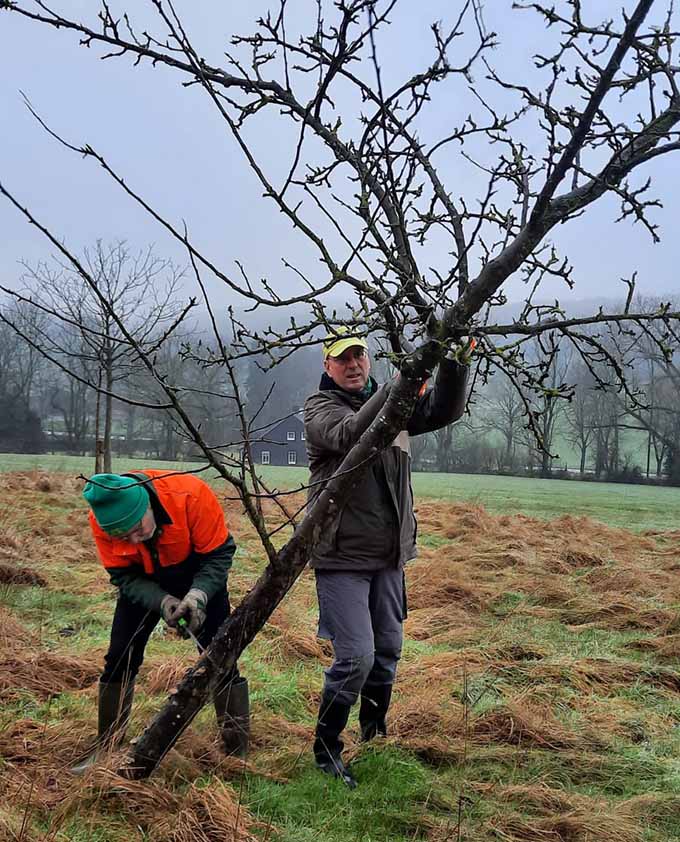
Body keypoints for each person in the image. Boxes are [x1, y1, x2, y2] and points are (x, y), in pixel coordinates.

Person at [304, 328, 471, 787]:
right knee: (356, 656)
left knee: (387, 654)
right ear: (328, 368)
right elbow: (351, 434)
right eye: (343, 359)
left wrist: (455, 360)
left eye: (360, 356)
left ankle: (375, 738)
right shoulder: (321, 409)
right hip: (341, 557)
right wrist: (402, 385)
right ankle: (326, 751)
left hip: (389, 557)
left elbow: (446, 409)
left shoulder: (394, 407)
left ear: (369, 360)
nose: (354, 365)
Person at [72, 469, 248, 773]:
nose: (133, 538)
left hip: (200, 573)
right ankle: (107, 748)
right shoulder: (101, 521)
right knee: (119, 657)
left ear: (147, 505)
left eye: (137, 528)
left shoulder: (191, 495)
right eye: (123, 536)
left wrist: (197, 596)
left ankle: (236, 750)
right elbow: (122, 574)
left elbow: (219, 554)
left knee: (220, 657)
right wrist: (162, 601)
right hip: (143, 579)